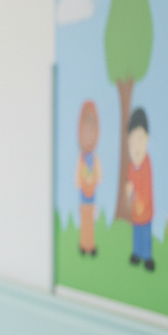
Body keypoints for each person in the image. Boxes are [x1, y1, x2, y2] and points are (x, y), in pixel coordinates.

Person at [125, 107, 154, 271]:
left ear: (146, 139)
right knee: (137, 232)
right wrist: (129, 191)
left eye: (139, 139)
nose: (135, 148)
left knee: (145, 233)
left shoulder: (146, 164)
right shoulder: (131, 167)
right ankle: (137, 253)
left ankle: (147, 256)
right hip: (136, 210)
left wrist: (140, 199)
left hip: (146, 209)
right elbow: (130, 183)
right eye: (132, 142)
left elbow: (145, 186)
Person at [76, 101, 102, 256]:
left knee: (90, 223)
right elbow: (78, 177)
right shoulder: (81, 159)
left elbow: (98, 176)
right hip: (82, 197)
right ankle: (83, 244)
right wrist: (83, 180)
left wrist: (93, 179)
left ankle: (90, 245)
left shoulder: (94, 158)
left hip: (91, 197)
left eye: (92, 129)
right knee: (84, 222)